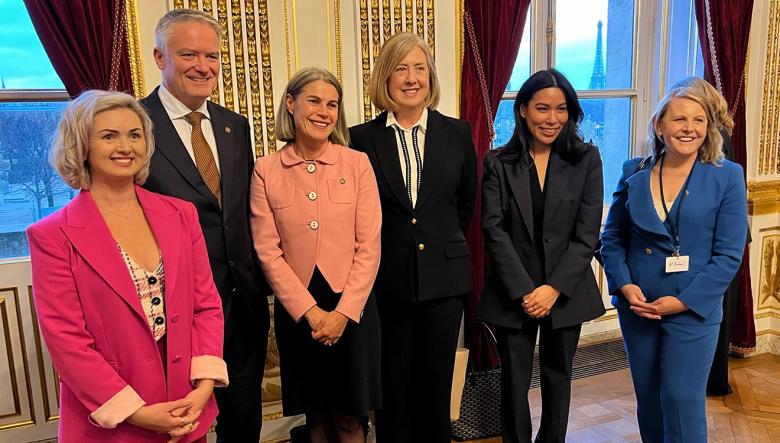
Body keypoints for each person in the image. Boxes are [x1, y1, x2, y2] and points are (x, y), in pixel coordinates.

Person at [28, 90, 227, 442]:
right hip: (110, 421)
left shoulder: (182, 215)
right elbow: (67, 341)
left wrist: (204, 384)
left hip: (186, 408)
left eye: (134, 135)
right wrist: (136, 412)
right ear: (81, 146)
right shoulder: (52, 235)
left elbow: (206, 305)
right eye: (109, 136)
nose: (126, 146)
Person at [139, 9, 270, 442]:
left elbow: (242, 214)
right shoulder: (134, 126)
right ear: (160, 57)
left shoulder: (236, 127)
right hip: (175, 311)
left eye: (211, 56)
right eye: (189, 54)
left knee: (243, 422)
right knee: (180, 429)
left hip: (243, 307)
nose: (203, 66)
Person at [600, 85, 748, 442]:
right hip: (640, 305)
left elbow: (729, 254)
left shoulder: (726, 175)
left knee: (682, 399)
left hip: (693, 307)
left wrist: (683, 301)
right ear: (659, 125)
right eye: (679, 118)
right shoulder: (634, 170)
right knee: (649, 399)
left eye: (699, 120)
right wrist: (624, 285)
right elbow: (612, 237)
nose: (689, 127)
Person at [349, 32, 477, 443]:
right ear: (385, 78)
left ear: (430, 76)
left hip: (444, 283)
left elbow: (464, 204)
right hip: (386, 284)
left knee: (437, 389)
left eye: (419, 68)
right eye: (400, 68)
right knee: (393, 390)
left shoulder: (457, 132)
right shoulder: (360, 139)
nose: (411, 78)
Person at [251, 67, 382, 443]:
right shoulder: (266, 170)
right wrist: (310, 313)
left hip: (352, 309)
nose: (323, 111)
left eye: (332, 104)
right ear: (290, 104)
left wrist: (342, 313)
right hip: (301, 312)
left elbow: (370, 244)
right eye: (313, 101)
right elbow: (267, 250)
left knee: (350, 418)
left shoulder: (356, 163)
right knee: (317, 420)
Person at [477, 69, 605, 443]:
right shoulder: (498, 162)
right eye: (542, 108)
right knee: (514, 383)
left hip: (566, 291)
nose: (552, 119)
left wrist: (553, 289)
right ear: (522, 111)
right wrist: (525, 291)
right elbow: (494, 231)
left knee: (557, 375)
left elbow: (587, 235)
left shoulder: (587, 160)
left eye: (561, 109)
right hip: (512, 291)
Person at [670, 76, 744, 397]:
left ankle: (710, 380)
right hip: (712, 235)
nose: (688, 125)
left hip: (717, 238)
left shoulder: (714, 138)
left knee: (715, 312)